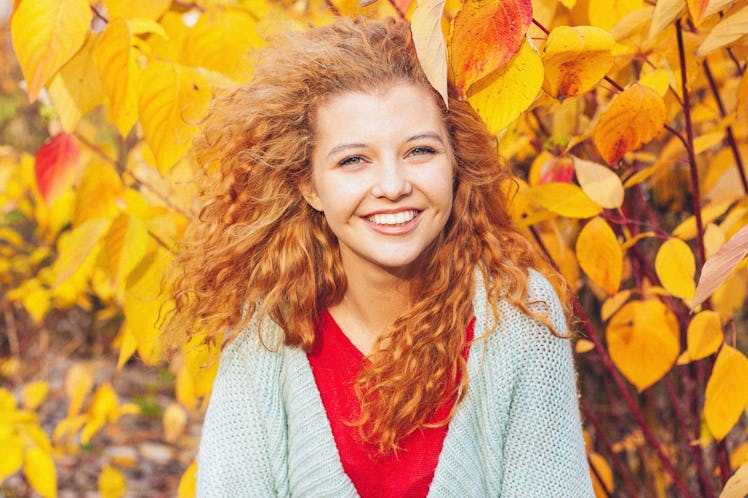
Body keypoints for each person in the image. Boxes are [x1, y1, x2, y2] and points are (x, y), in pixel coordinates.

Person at [166, 15, 595, 497]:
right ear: (309, 185)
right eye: (354, 160)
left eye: (419, 151)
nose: (393, 186)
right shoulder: (268, 334)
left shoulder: (518, 317)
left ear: (456, 164)